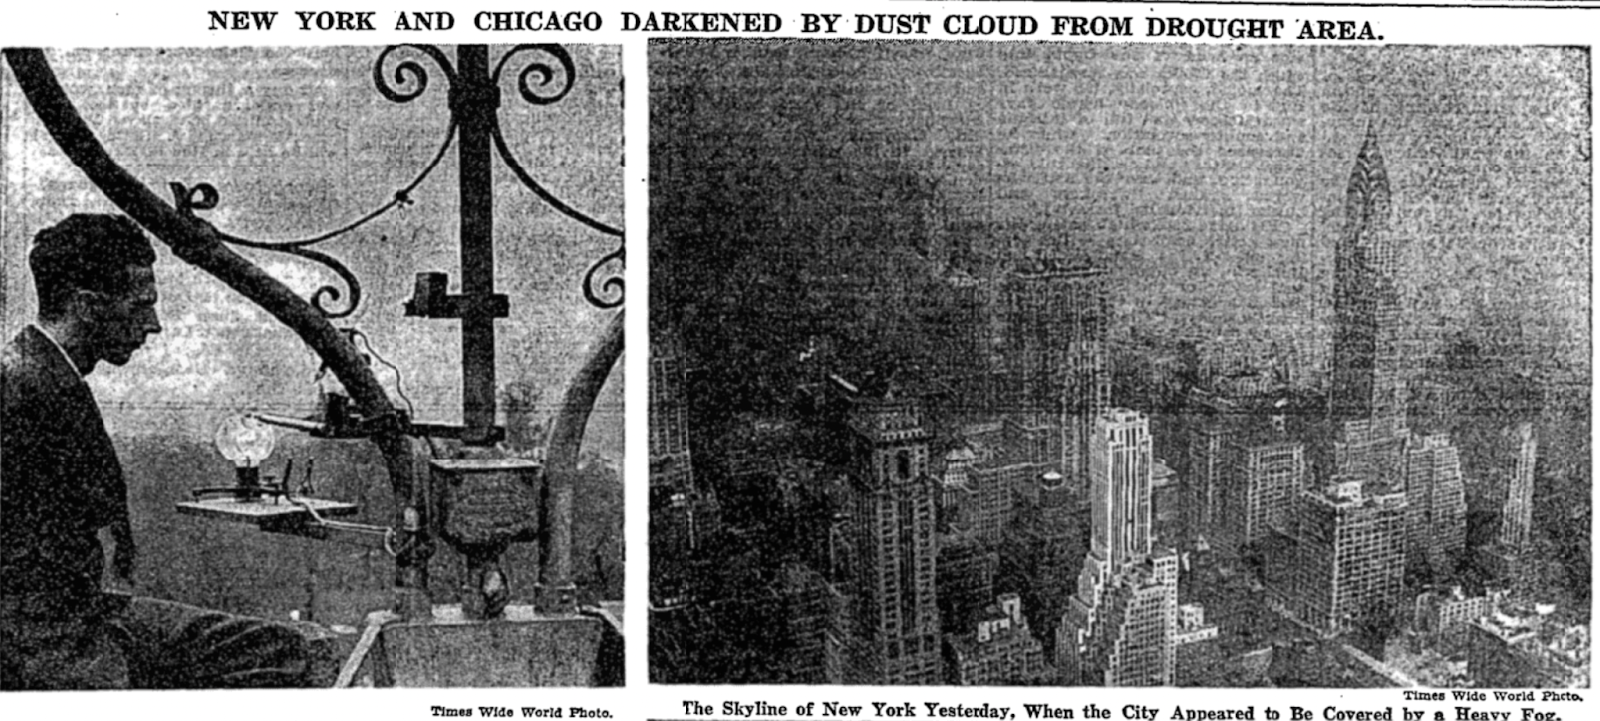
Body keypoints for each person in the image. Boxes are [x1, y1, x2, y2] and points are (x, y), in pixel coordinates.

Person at [1, 214, 310, 689]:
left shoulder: (46, 375)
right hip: (43, 638)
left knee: (282, 648)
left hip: (79, 613)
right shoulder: (24, 389)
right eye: (141, 305)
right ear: (86, 305)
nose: (154, 324)